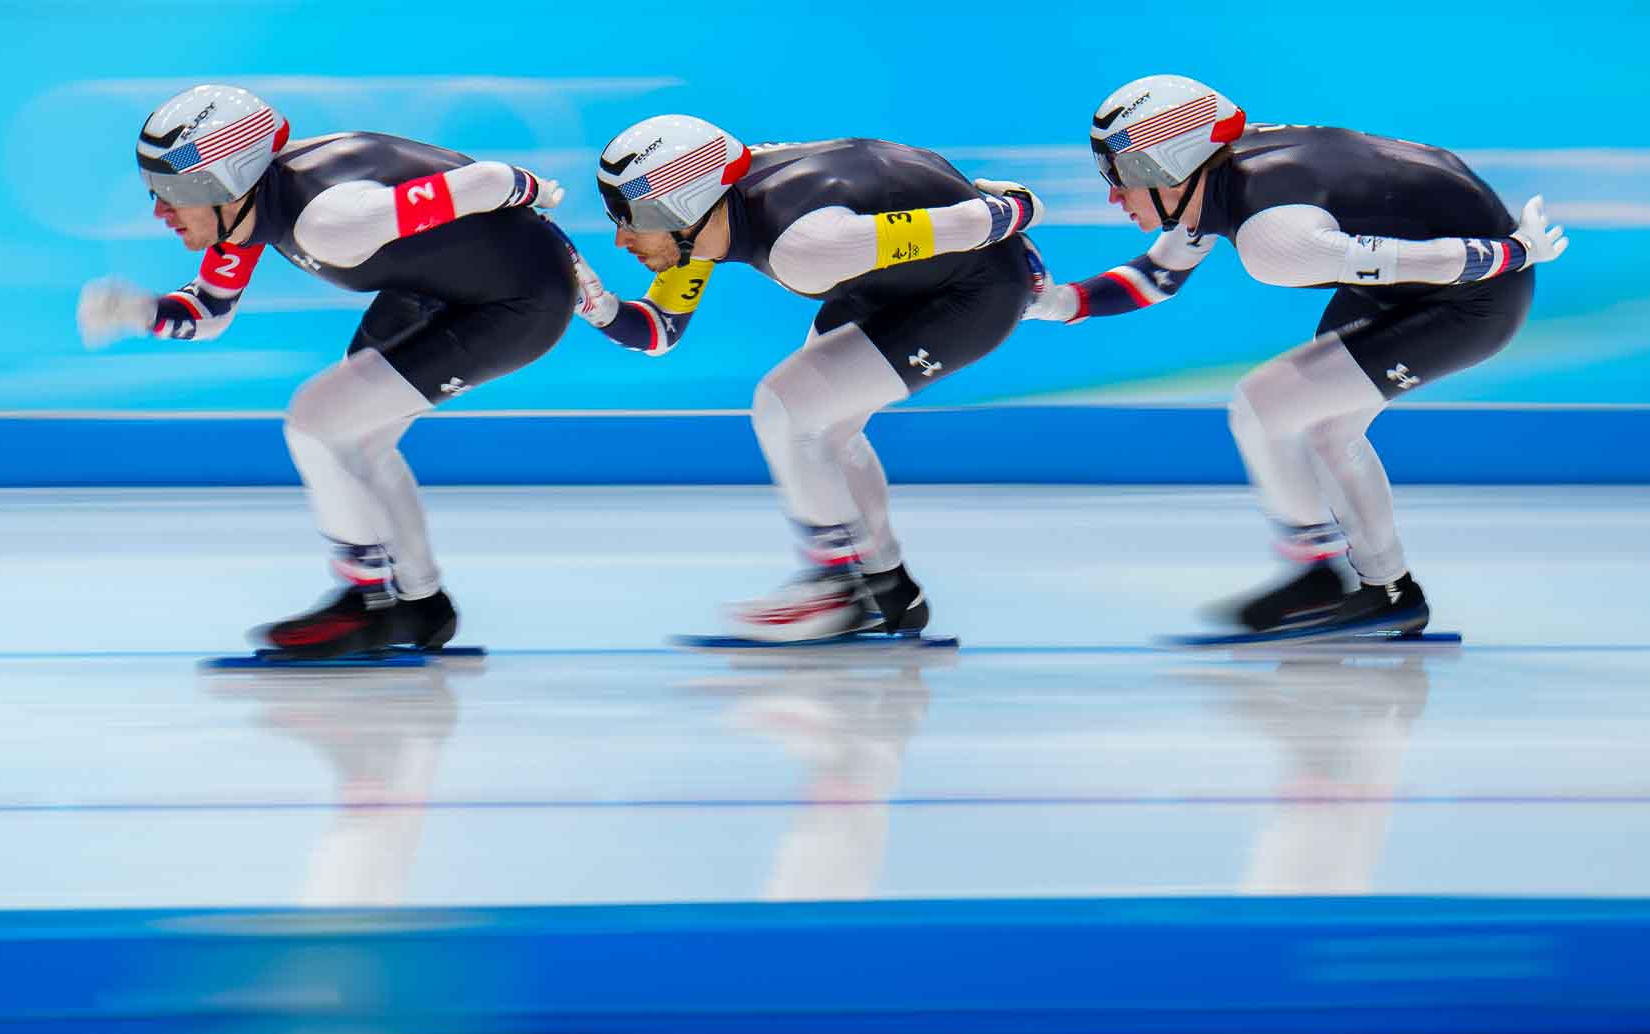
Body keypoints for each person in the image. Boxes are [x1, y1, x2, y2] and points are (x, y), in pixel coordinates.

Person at [1024, 75, 1568, 636]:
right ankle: (1386, 590)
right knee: (1321, 428)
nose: (1114, 194)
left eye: (1123, 174)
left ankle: (1323, 578)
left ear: (1169, 162)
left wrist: (1513, 253)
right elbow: (1158, 275)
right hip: (1417, 279)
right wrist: (1056, 303)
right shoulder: (1217, 176)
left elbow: (1426, 261)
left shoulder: (1273, 239)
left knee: (1266, 404)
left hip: (1472, 294)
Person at [77, 84, 574, 658]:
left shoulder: (328, 219)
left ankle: (369, 602)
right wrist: (139, 312)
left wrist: (534, 197)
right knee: (355, 439)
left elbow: (486, 182)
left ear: (228, 179)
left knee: (318, 421)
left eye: (172, 190)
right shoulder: (249, 208)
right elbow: (209, 312)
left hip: (516, 302)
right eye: (154, 190)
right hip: (438, 289)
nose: (159, 211)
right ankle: (419, 602)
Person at [569, 115, 1045, 641]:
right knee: (823, 426)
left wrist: (1018, 205)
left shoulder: (805, 247)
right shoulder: (711, 210)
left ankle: (835, 588)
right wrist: (599, 308)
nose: (620, 238)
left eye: (630, 216)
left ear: (680, 206)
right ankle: (886, 589)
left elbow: (987, 222)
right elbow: (658, 331)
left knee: (788, 407)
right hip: (898, 281)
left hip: (973, 292)